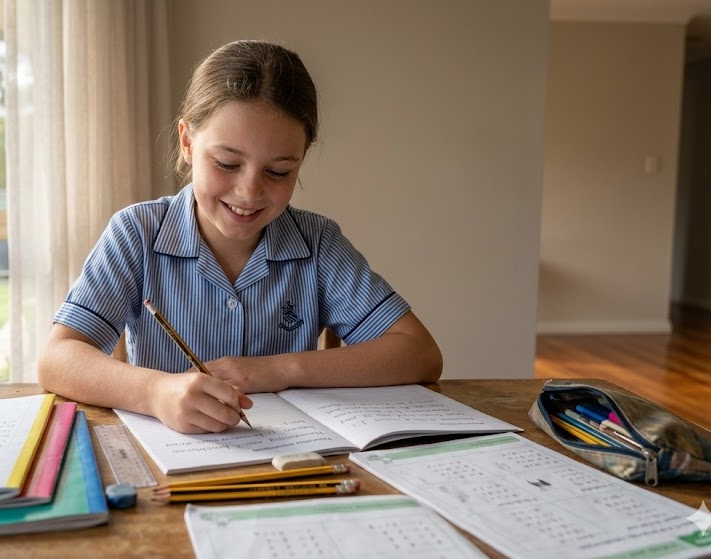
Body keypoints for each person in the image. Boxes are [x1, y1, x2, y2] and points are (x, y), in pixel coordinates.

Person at [37, 40, 442, 434]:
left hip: (296, 462)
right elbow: (57, 358)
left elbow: (419, 353)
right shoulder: (137, 233)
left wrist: (278, 369)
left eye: (279, 172)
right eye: (227, 163)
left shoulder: (318, 243)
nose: (250, 192)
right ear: (187, 142)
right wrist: (154, 392)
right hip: (173, 462)